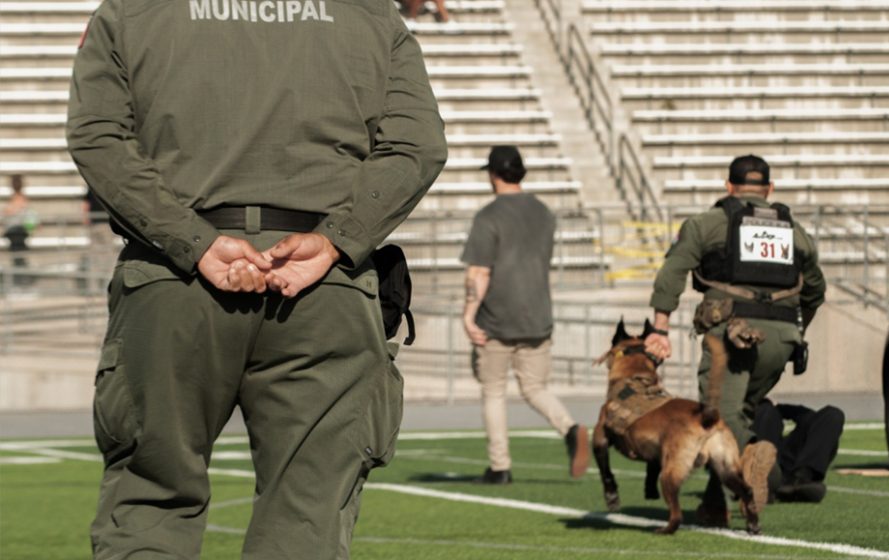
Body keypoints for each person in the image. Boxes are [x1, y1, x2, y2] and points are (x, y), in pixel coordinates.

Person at [67, 1, 447, 558]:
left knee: (150, 505)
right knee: (307, 517)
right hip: (321, 283)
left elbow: (97, 137)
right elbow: (418, 144)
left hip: (175, 280)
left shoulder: (132, 10)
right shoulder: (369, 14)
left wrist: (192, 241)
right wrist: (336, 239)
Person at [643, 154, 826, 524]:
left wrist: (660, 328)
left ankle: (765, 472)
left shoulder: (708, 223)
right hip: (783, 340)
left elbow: (672, 272)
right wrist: (797, 330)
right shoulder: (795, 231)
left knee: (718, 418)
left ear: (728, 186)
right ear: (769, 189)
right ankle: (714, 505)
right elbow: (816, 288)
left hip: (733, 339)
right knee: (738, 414)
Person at [461, 145, 589, 485]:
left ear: (493, 175)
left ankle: (500, 466)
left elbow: (479, 272)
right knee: (534, 387)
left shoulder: (488, 216)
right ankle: (570, 427)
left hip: (497, 318)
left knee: (494, 391)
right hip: (537, 314)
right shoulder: (544, 213)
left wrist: (469, 315)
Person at [754, 400, 845, 503]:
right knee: (765, 411)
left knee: (833, 415)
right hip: (765, 463)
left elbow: (809, 418)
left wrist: (781, 408)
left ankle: (802, 479)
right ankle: (765, 481)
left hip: (792, 466)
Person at [3, 175, 36, 286]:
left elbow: (13, 210)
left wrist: (8, 211)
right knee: (17, 258)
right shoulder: (17, 197)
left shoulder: (20, 198)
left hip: (18, 231)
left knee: (18, 258)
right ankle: (21, 282)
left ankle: (23, 282)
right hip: (15, 231)